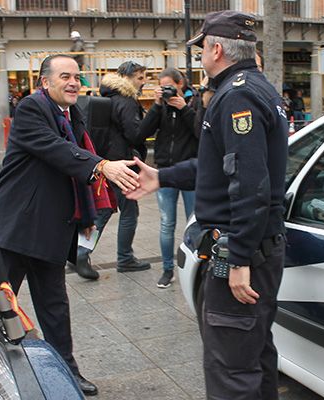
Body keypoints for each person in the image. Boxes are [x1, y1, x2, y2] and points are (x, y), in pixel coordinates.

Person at [126, 11, 288, 399]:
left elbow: (250, 184)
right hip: (256, 246)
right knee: (254, 355)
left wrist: (238, 258)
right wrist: (162, 177)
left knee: (231, 370)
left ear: (217, 48)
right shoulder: (255, 88)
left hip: (239, 247)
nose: (200, 56)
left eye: (201, 49)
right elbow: (219, 164)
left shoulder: (238, 94)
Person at [0, 54, 141, 396]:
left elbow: (71, 165)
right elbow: (54, 149)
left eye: (76, 77)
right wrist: (102, 166)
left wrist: (86, 216)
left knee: (55, 309)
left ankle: (67, 373)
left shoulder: (72, 114)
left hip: (52, 227)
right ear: (45, 82)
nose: (74, 82)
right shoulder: (31, 108)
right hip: (17, 228)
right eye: (64, 76)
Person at [70, 60, 151, 279]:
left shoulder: (107, 96)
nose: (143, 82)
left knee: (104, 209)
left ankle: (79, 252)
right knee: (128, 212)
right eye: (140, 77)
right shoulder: (126, 101)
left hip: (104, 161)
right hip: (121, 164)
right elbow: (135, 134)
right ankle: (123, 258)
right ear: (127, 78)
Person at [136, 67, 199, 288]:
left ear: (180, 84)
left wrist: (185, 109)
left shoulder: (195, 102)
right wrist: (156, 106)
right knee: (166, 223)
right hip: (164, 172)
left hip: (190, 171)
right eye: (162, 87)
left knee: (194, 222)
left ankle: (195, 267)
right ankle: (167, 269)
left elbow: (202, 133)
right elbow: (141, 133)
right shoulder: (160, 106)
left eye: (169, 86)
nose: (166, 90)